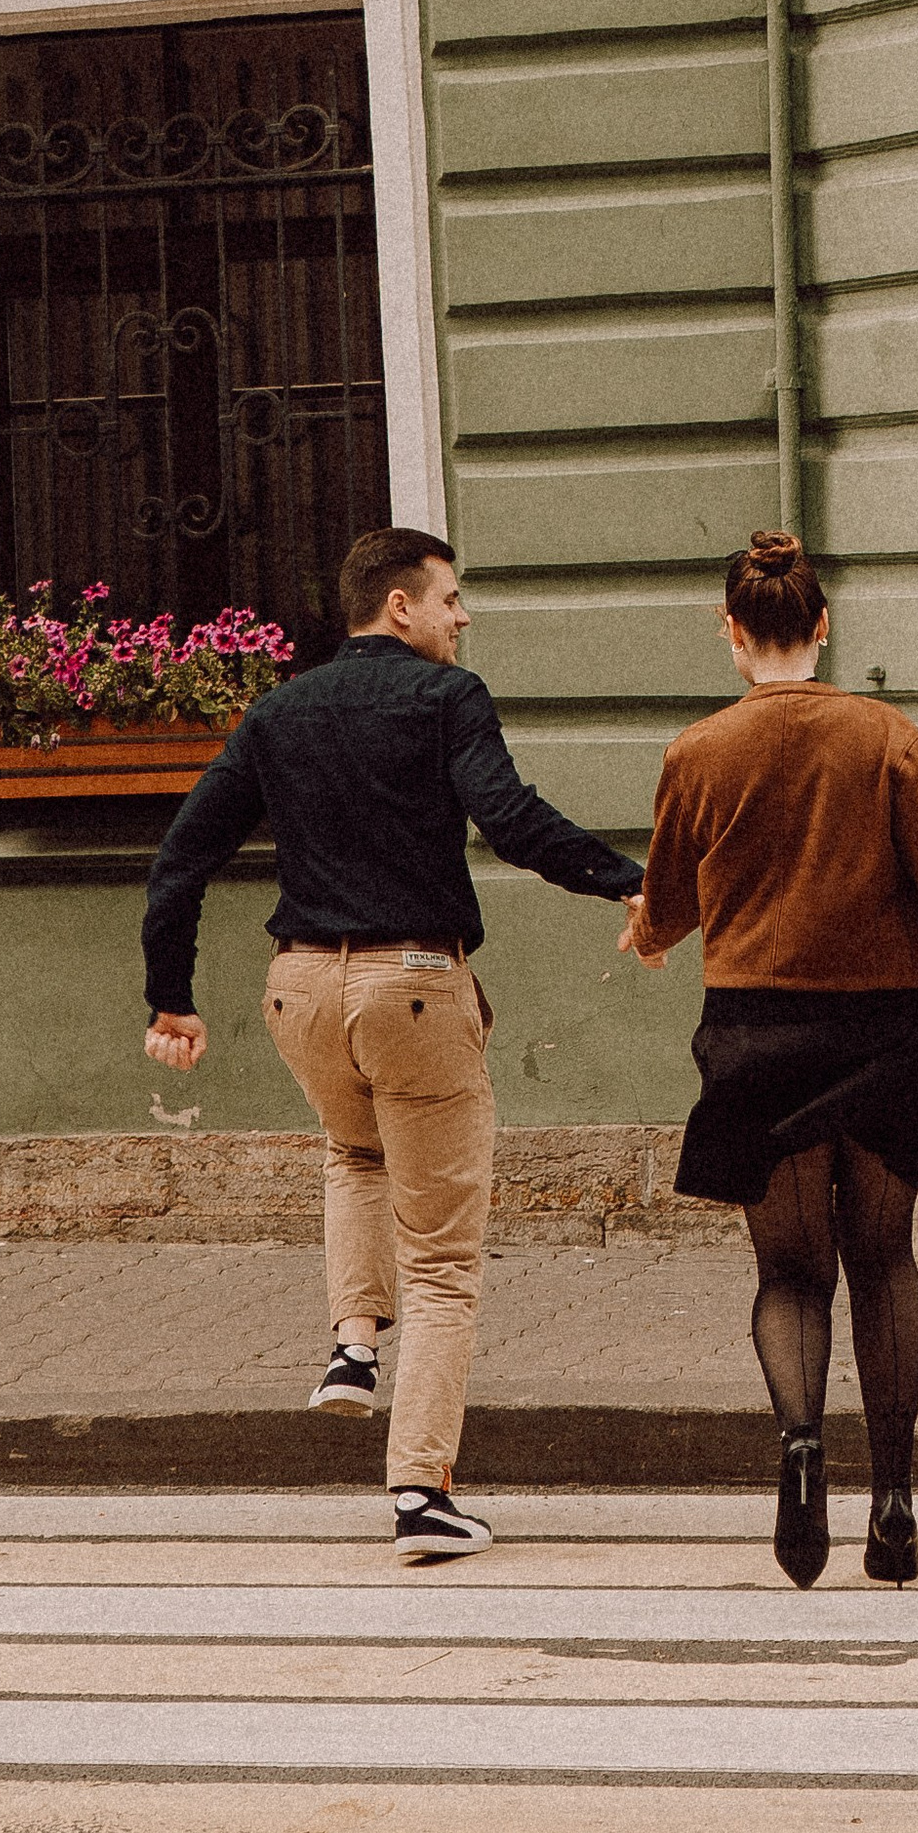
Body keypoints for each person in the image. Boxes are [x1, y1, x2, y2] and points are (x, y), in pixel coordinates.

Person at [142, 525, 644, 1560]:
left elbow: (182, 854)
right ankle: (421, 1495)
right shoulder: (446, 698)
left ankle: (351, 1347)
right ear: (400, 606)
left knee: (353, 1151)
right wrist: (628, 880)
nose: (461, 617)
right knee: (445, 1263)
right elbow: (506, 817)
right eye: (450, 597)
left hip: (299, 992)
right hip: (412, 983)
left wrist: (170, 999)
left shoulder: (279, 711)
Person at [620, 529, 918, 1591]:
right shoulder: (887, 738)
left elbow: (667, 904)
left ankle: (801, 1449)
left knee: (790, 1273)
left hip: (761, 1033)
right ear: (821, 626)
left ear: (730, 633)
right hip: (891, 1031)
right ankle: (894, 1498)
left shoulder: (697, 751)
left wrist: (650, 930)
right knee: (882, 1262)